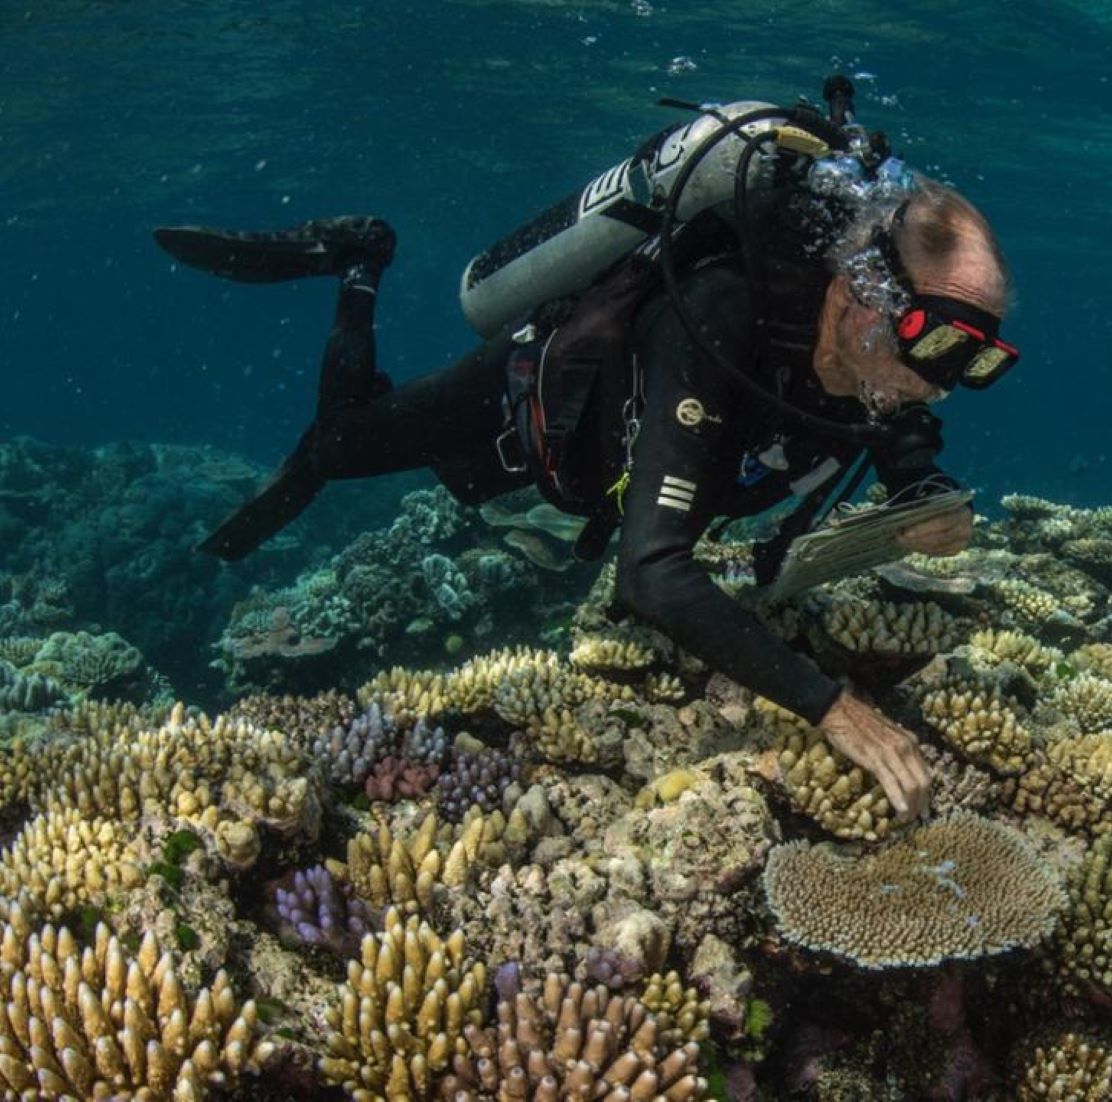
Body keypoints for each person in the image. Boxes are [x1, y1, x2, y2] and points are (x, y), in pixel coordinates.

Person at [155, 94, 1020, 821]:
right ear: (860, 290)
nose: (936, 386)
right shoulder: (715, 314)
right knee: (336, 445)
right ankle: (359, 261)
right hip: (518, 407)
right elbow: (651, 577)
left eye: (972, 364)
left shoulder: (882, 372)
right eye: (931, 345)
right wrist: (832, 709)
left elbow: (904, 436)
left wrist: (926, 492)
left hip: (590, 476)